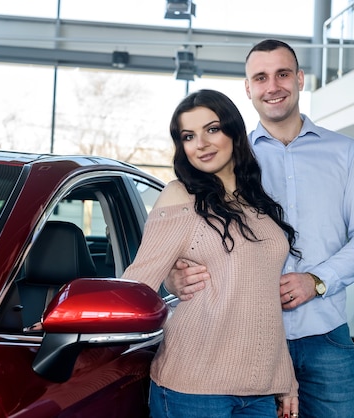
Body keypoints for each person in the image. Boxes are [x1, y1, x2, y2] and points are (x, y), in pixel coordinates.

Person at [165, 40, 354, 418]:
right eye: (261, 77)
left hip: (324, 336)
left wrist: (316, 280)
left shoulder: (344, 152)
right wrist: (174, 276)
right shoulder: (225, 158)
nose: (273, 86)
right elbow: (188, 235)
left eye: (283, 74)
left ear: (299, 79)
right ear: (248, 88)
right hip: (241, 341)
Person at [122, 89, 300, 418]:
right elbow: (138, 282)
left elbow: (264, 300)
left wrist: (285, 378)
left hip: (259, 389)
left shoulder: (257, 200)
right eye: (188, 136)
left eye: (212, 129)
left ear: (233, 130)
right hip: (195, 387)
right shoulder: (181, 196)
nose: (201, 143)